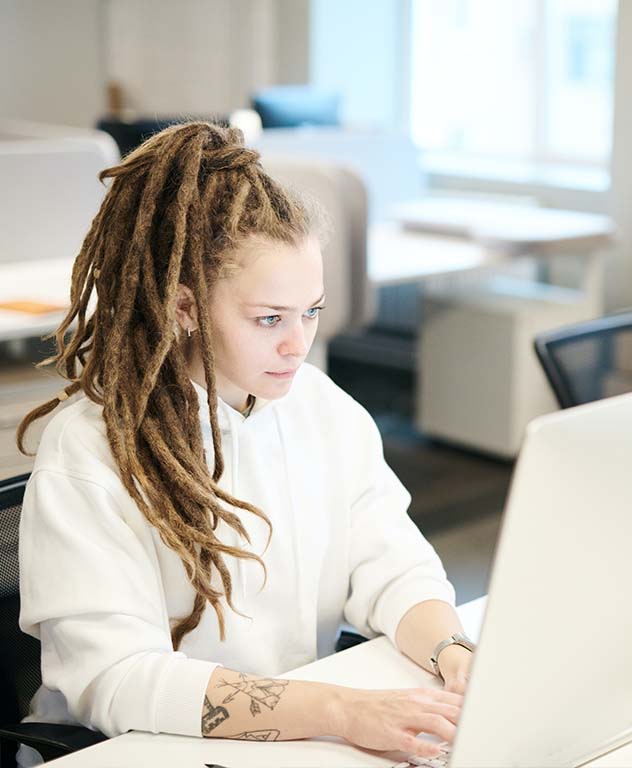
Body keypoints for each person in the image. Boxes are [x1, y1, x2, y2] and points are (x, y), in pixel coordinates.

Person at [16, 123, 468, 763]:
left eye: (311, 312)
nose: (298, 344)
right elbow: (116, 678)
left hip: (287, 738)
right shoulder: (91, 449)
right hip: (134, 750)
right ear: (185, 307)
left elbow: (394, 566)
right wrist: (339, 711)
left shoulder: (321, 408)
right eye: (269, 319)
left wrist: (454, 653)